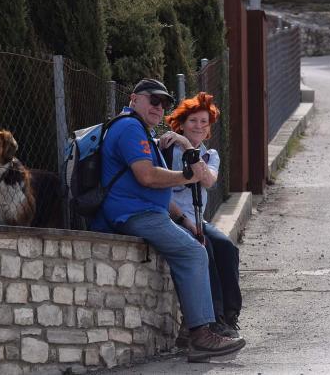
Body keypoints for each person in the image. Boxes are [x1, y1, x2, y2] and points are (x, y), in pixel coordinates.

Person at [90, 78, 245, 361]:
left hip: (146, 211)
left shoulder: (141, 130)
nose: (159, 107)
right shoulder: (129, 128)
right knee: (194, 253)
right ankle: (200, 335)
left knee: (206, 247)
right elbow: (147, 176)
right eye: (153, 100)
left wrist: (186, 214)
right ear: (134, 99)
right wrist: (186, 176)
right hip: (135, 213)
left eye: (164, 103)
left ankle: (198, 329)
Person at [160, 92, 242, 342]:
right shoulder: (164, 150)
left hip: (198, 219)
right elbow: (162, 195)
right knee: (205, 250)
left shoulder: (209, 155)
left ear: (208, 130)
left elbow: (208, 180)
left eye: (203, 122)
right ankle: (213, 321)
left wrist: (188, 147)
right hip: (175, 218)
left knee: (226, 247)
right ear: (181, 124)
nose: (198, 126)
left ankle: (230, 316)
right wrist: (186, 221)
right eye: (193, 121)